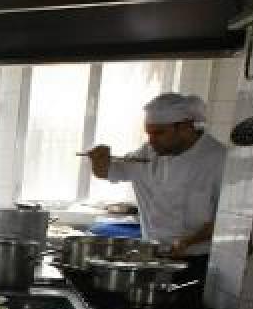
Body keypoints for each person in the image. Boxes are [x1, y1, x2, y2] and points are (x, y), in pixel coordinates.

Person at [85, 93, 225, 286]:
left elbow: (228, 221)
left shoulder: (219, 159)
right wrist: (98, 160)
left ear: (185, 127)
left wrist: (188, 242)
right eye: (148, 133)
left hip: (197, 261)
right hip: (152, 256)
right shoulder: (148, 152)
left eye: (159, 133)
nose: (151, 141)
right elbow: (107, 172)